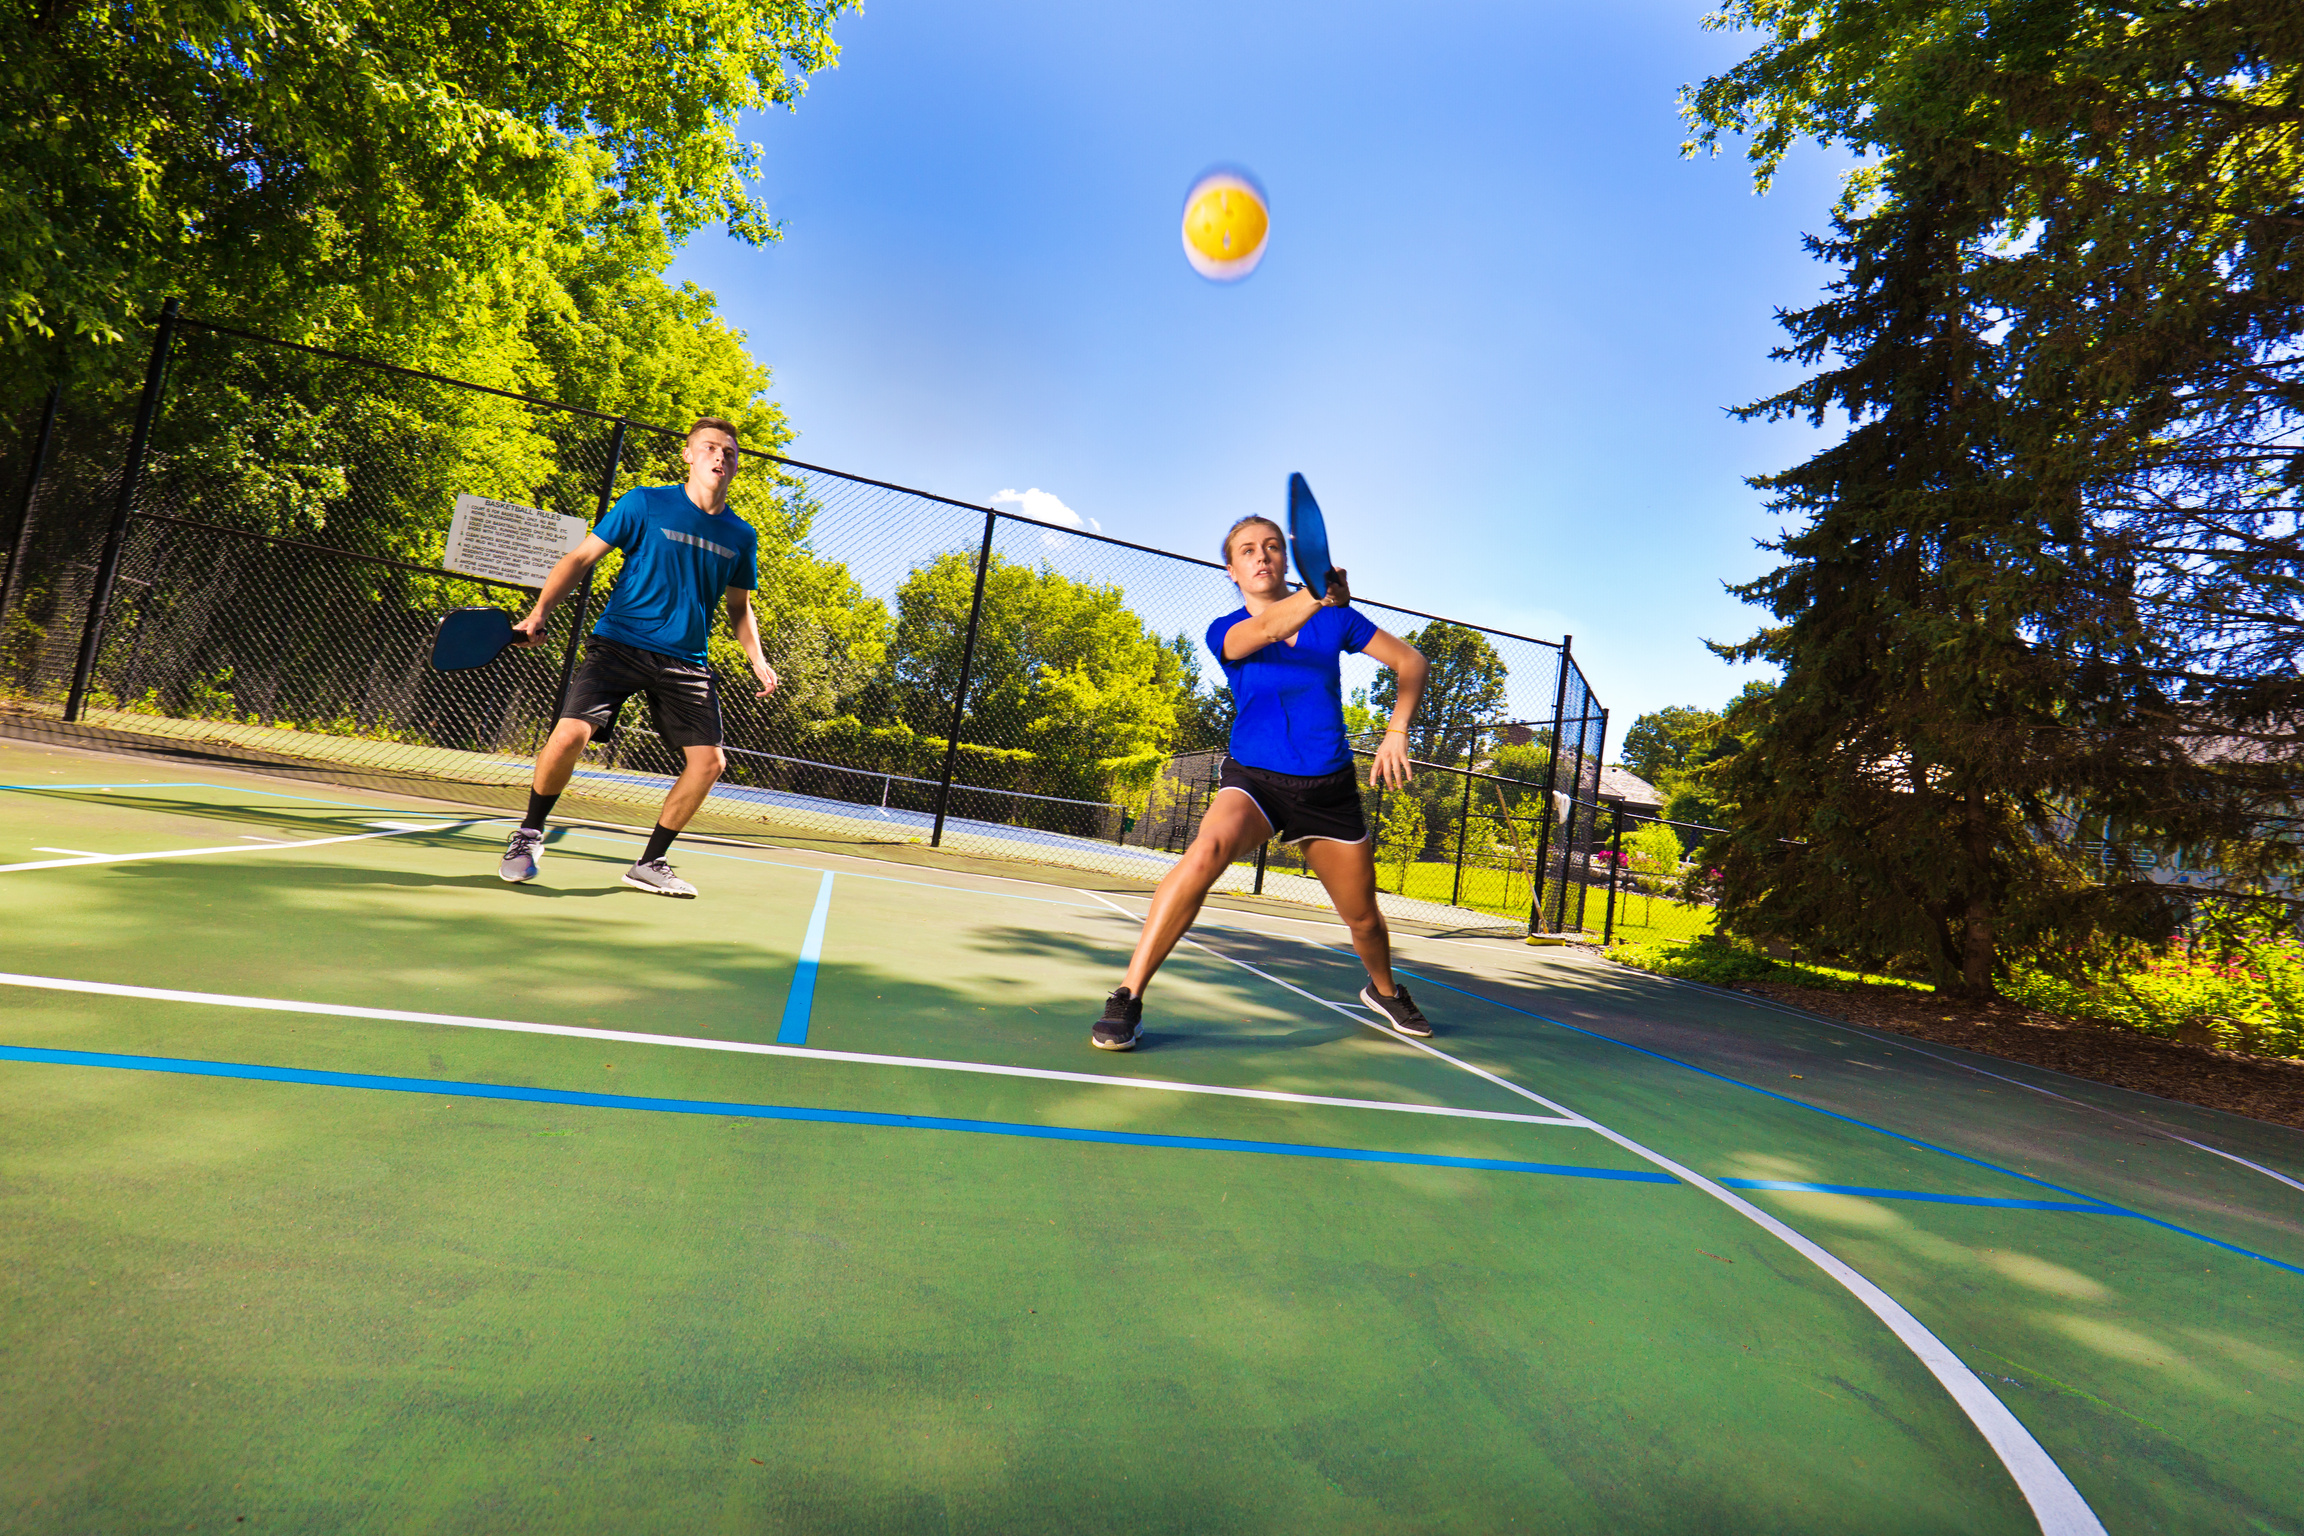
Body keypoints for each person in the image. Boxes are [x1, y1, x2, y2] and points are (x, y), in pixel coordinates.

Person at [1092, 514, 1432, 1050]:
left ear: (1286, 559)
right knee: (1205, 852)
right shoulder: (1225, 631)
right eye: (1247, 549)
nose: (1261, 554)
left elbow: (1411, 662)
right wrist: (1321, 595)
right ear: (1231, 570)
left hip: (1328, 787)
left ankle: (1385, 990)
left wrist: (1397, 730)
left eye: (1272, 546)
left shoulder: (1336, 619)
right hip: (1255, 780)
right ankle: (1128, 994)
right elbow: (1269, 628)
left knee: (1364, 918)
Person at [493, 416, 779, 897]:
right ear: (689, 455)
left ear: (734, 467)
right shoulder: (645, 502)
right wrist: (540, 611)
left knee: (710, 764)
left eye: (728, 453)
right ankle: (528, 834)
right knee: (569, 735)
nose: (720, 457)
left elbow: (738, 607)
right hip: (619, 644)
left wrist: (758, 658)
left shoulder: (741, 535)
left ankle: (650, 862)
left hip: (685, 660)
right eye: (709, 448)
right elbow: (581, 559)